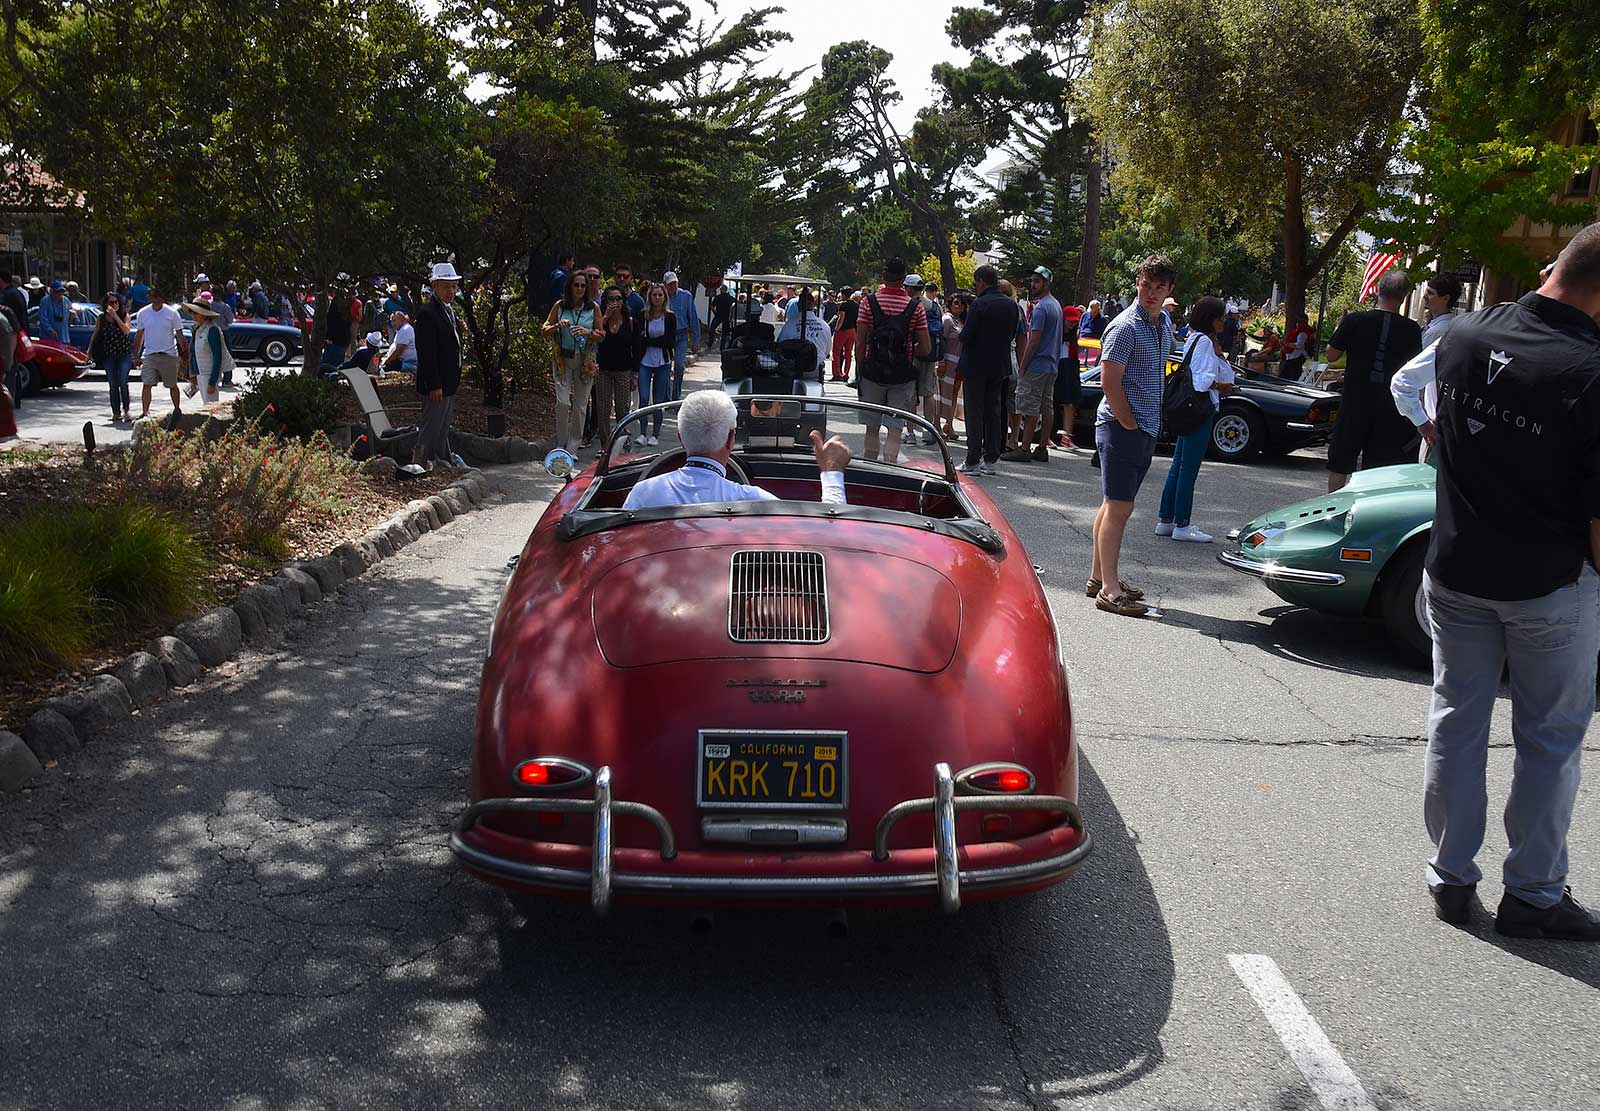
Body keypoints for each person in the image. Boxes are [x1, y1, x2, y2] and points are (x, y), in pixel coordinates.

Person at [1409, 222, 1600, 941]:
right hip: (1548, 583)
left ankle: (1450, 874)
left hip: (1457, 570)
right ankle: (1534, 893)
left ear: (1556, 265)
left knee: (1456, 719)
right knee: (1549, 740)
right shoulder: (1588, 370)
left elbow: (1437, 431)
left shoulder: (1461, 335)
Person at [1090, 254, 1178, 617]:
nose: (1151, 293)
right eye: (1146, 285)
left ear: (1170, 290)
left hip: (1145, 426)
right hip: (1121, 426)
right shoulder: (1126, 326)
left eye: (1159, 287)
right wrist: (1127, 422)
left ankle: (1099, 578)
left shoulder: (1164, 323)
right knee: (1120, 508)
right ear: (1137, 284)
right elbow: (1108, 381)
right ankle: (1109, 589)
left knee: (1112, 505)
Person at [623, 390, 851, 509]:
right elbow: (827, 532)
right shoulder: (754, 501)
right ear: (731, 439)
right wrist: (832, 472)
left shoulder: (643, 493)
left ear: (681, 439)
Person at [1323, 269, 1424, 491]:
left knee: (1341, 463)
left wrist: (1342, 327)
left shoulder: (1355, 320)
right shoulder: (1412, 330)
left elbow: (1331, 355)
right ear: (1404, 296)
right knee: (1378, 469)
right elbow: (1414, 370)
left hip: (1355, 401)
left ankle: (1335, 513)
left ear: (1378, 290)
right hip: (1390, 408)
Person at [1155, 296, 1235, 543]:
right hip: (1200, 411)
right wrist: (1222, 386)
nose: (1224, 321)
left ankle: (1167, 519)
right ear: (1212, 319)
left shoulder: (1195, 339)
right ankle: (1182, 523)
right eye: (1221, 317)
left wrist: (1219, 355)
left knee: (1179, 465)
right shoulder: (1204, 343)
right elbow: (1203, 382)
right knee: (1188, 469)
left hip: (1188, 409)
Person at [855, 257, 931, 464]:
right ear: (903, 279)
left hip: (872, 372)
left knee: (872, 427)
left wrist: (860, 368)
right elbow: (926, 347)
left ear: (884, 277)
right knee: (895, 428)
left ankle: (871, 464)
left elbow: (860, 342)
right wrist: (909, 349)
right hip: (901, 375)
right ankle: (890, 466)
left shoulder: (867, 303)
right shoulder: (915, 308)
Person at [957, 265, 1020, 475]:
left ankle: (973, 459)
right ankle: (990, 458)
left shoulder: (979, 304)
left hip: (976, 364)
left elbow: (966, 335)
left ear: (982, 281)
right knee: (993, 411)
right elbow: (1012, 334)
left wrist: (962, 331)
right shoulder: (1012, 306)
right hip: (999, 363)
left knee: (974, 412)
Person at [1004, 266, 1063, 462]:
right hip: (1052, 365)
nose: (1033, 284)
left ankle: (1025, 448)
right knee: (1047, 407)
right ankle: (1042, 446)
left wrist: (1023, 365)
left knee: (1029, 407)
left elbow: (1033, 340)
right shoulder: (1056, 305)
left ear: (1046, 283)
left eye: (1037, 281)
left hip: (1037, 365)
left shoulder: (1042, 308)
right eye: (1032, 281)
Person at [541, 270, 601, 454]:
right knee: (563, 403)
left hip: (585, 362)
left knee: (580, 406)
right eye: (577, 285)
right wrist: (557, 326)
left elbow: (602, 334)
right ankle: (561, 443)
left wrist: (588, 332)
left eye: (583, 285)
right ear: (570, 286)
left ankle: (573, 447)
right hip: (563, 360)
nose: (580, 288)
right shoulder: (560, 306)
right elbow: (544, 330)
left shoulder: (593, 308)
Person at [414, 261, 466, 467]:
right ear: (435, 286)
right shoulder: (428, 313)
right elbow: (427, 353)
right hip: (436, 384)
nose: (451, 291)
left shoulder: (448, 310)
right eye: (446, 286)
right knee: (430, 426)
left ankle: (443, 459)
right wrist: (434, 384)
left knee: (442, 426)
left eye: (453, 286)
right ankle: (418, 464)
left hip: (449, 381)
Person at [132, 287, 189, 421]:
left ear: (163, 298)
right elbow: (139, 335)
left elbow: (180, 335)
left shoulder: (172, 313)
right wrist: (136, 355)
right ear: (149, 298)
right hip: (150, 354)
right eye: (153, 296)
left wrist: (185, 353)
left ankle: (177, 410)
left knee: (172, 384)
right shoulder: (143, 313)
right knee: (147, 384)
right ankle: (145, 413)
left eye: (159, 296)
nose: (156, 299)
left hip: (168, 354)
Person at [593, 287, 638, 445]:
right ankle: (605, 446)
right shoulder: (600, 319)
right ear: (605, 301)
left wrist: (635, 375)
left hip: (623, 371)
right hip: (604, 370)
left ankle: (622, 444)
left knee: (622, 409)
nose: (615, 302)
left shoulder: (630, 321)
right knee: (603, 410)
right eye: (611, 299)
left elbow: (637, 348)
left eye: (618, 298)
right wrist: (605, 317)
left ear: (623, 301)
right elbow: (594, 335)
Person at [634, 283, 677, 445]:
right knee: (644, 397)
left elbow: (669, 341)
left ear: (664, 297)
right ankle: (643, 432)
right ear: (649, 297)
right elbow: (639, 340)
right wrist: (649, 341)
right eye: (654, 295)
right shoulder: (643, 315)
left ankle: (655, 434)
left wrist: (649, 340)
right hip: (645, 361)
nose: (657, 298)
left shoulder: (670, 317)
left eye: (660, 295)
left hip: (663, 362)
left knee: (658, 400)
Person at [90, 288, 135, 422]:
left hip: (123, 354)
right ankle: (116, 412)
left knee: (123, 381)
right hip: (109, 354)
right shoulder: (101, 318)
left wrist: (115, 316)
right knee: (112, 383)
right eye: (111, 302)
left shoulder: (124, 315)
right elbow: (96, 335)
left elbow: (126, 331)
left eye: (116, 302)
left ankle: (126, 410)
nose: (114, 305)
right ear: (105, 304)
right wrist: (89, 352)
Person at [184, 298, 235, 403]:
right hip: (199, 373)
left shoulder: (212, 329)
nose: (193, 315)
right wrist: (193, 374)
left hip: (208, 373)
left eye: (196, 313)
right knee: (206, 404)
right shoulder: (197, 329)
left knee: (211, 406)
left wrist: (212, 381)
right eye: (192, 312)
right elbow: (193, 353)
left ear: (204, 314)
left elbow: (217, 356)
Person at [776, 288, 833, 377]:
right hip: (816, 370)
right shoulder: (824, 326)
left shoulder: (789, 325)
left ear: (798, 305)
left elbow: (781, 345)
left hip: (793, 370)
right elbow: (827, 351)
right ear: (813, 305)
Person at [662, 272, 700, 401]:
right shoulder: (661, 296)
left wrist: (696, 340)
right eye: (670, 284)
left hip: (681, 335)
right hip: (666, 335)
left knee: (679, 365)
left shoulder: (686, 296)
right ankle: (666, 399)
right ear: (665, 285)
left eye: (675, 283)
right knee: (665, 367)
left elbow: (693, 319)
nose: (673, 286)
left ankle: (676, 396)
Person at [1052, 303, 1083, 449]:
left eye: (1074, 321)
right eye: (1069, 320)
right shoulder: (1054, 334)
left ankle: (1066, 436)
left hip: (1069, 366)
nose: (1072, 323)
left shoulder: (1073, 338)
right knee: (1051, 403)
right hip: (1057, 366)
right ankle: (1048, 436)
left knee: (1070, 403)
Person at [939, 293, 968, 440]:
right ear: (950, 304)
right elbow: (941, 341)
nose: (959, 306)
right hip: (947, 362)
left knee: (954, 393)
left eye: (962, 304)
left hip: (959, 363)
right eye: (956, 303)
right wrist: (941, 362)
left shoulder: (962, 321)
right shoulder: (947, 320)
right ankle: (937, 424)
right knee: (942, 393)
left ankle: (949, 424)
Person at [830, 290, 860, 381]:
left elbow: (841, 317)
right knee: (848, 353)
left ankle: (837, 373)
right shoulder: (856, 305)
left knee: (836, 352)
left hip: (842, 330)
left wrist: (836, 329)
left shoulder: (844, 304)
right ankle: (846, 374)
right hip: (852, 331)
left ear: (843, 294)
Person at [1282, 311, 1314, 380]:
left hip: (1297, 357)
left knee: (1293, 377)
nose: (1298, 323)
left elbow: (1299, 345)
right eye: (1297, 321)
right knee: (1284, 376)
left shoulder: (1303, 332)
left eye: (1300, 321)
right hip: (1291, 357)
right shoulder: (1296, 330)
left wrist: (1286, 344)